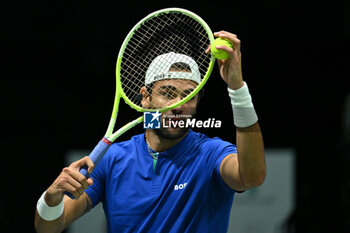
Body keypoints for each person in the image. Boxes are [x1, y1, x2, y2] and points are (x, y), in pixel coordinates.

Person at [34, 31, 266, 233]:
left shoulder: (211, 154)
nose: (178, 105)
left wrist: (237, 88)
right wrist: (51, 197)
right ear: (145, 98)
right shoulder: (113, 160)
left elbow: (252, 177)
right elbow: (49, 227)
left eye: (189, 95)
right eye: (167, 92)